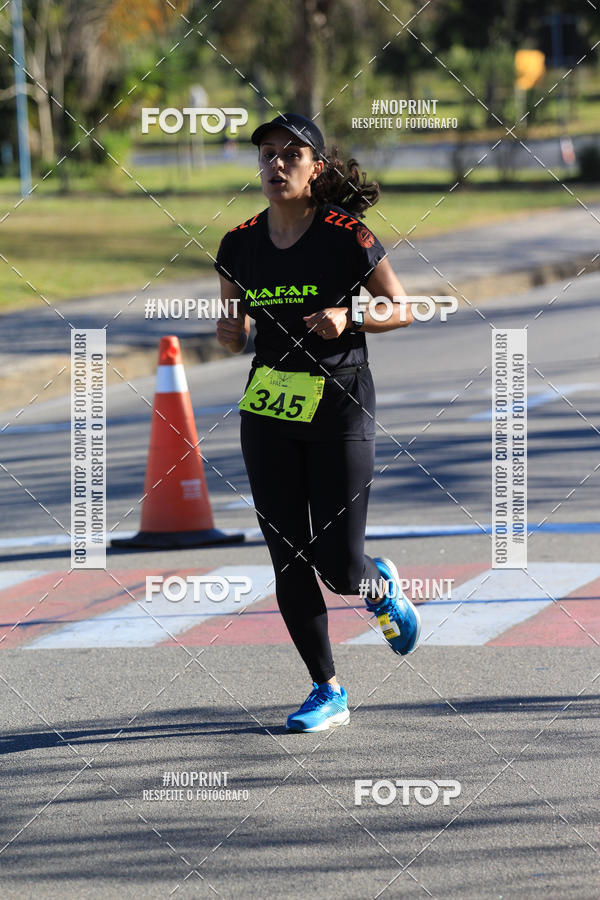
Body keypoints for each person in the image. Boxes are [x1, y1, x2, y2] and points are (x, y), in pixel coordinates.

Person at [214, 112, 421, 733]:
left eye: (290, 155)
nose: (275, 164)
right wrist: (229, 334)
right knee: (286, 554)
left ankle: (374, 584)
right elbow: (232, 336)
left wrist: (349, 320)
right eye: (266, 154)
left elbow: (402, 309)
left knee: (337, 564)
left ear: (315, 167)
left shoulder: (345, 234)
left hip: (340, 402)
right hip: (270, 407)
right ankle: (326, 688)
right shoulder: (238, 243)